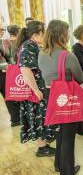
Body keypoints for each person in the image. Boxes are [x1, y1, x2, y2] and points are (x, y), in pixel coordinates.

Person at [39, 20, 83, 175]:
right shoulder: (67, 56)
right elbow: (80, 77)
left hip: (49, 95)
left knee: (59, 133)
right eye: (67, 31)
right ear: (62, 35)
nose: (69, 34)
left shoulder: (41, 53)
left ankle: (59, 165)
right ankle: (67, 171)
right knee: (68, 138)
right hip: (65, 96)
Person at [15, 21, 56, 156]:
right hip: (36, 91)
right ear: (36, 34)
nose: (46, 35)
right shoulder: (28, 47)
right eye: (44, 33)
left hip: (39, 88)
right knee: (38, 118)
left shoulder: (32, 45)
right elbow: (25, 70)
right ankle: (42, 148)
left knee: (41, 117)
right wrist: (36, 90)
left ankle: (44, 144)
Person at [0, 36, 20, 127]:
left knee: (9, 96)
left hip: (4, 74)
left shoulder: (5, 42)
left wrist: (12, 66)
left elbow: (10, 57)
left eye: (2, 30)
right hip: (4, 71)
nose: (1, 32)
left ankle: (15, 119)